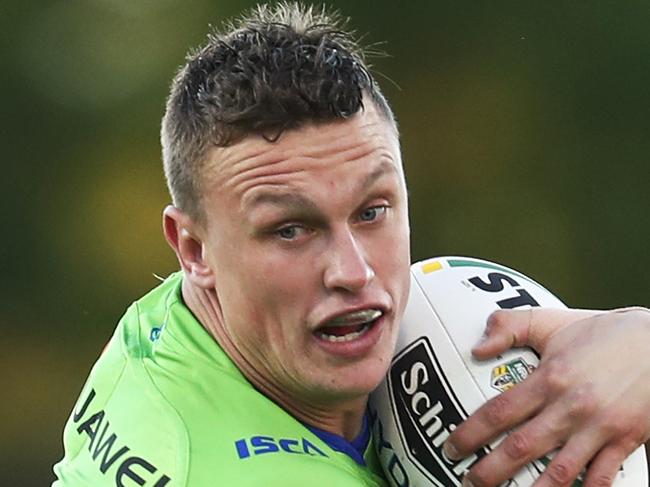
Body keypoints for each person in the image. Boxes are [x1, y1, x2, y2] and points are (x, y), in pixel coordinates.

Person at [52, 3, 650, 486]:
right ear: (194, 249)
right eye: (291, 229)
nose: (354, 271)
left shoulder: (177, 330)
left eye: (372, 210)